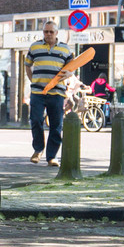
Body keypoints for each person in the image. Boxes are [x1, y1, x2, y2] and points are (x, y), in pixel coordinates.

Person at [24, 21, 74, 167]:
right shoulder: (35, 47)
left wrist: (70, 73)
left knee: (56, 125)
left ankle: (52, 156)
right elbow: (27, 65)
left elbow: (72, 68)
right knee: (36, 120)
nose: (48, 34)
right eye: (46, 31)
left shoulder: (65, 49)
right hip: (38, 91)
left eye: (51, 32)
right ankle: (38, 149)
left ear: (57, 33)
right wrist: (33, 80)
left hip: (57, 92)